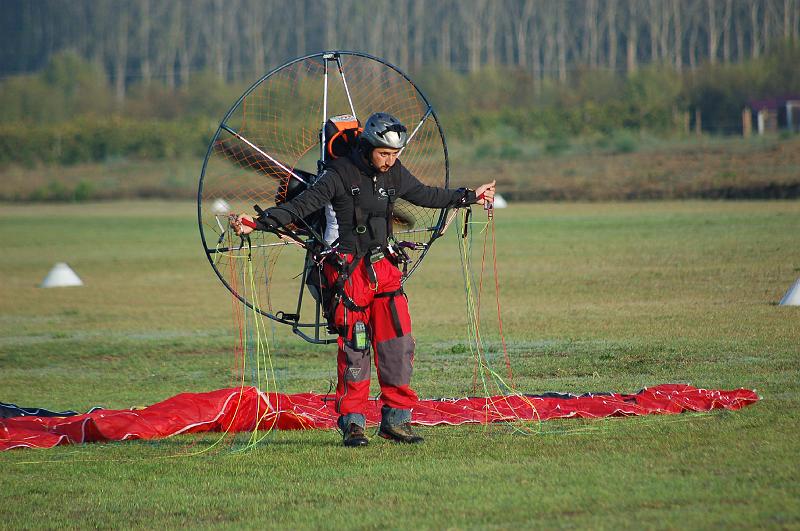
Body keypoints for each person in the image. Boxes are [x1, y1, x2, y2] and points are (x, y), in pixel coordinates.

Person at [233, 112, 495, 447]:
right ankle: (353, 423)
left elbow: (425, 194)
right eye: (384, 154)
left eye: (395, 155)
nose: (389, 161)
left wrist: (470, 195)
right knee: (356, 347)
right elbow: (303, 205)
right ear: (369, 145)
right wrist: (258, 223)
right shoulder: (338, 174)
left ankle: (396, 420)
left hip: (385, 267)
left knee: (398, 343)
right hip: (347, 272)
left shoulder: (394, 172)